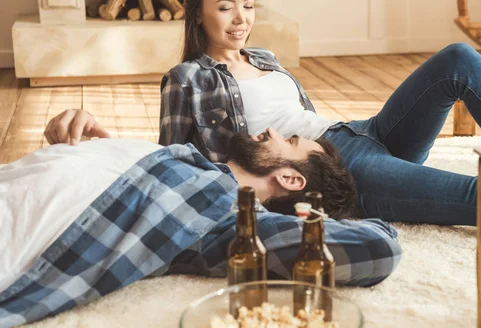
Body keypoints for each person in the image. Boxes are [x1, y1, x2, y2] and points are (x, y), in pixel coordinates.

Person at [44, 0, 481, 227]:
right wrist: (103, 143)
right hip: (337, 170)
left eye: (249, 5)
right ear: (198, 12)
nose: (241, 20)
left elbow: (309, 120)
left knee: (458, 60)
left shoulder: (266, 58)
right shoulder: (187, 79)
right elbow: (175, 165)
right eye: (225, 7)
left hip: (359, 135)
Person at [0, 129, 401, 327]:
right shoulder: (191, 164)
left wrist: (318, 218)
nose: (272, 131)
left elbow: (377, 250)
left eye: (289, 140)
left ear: (292, 180)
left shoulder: (231, 220)